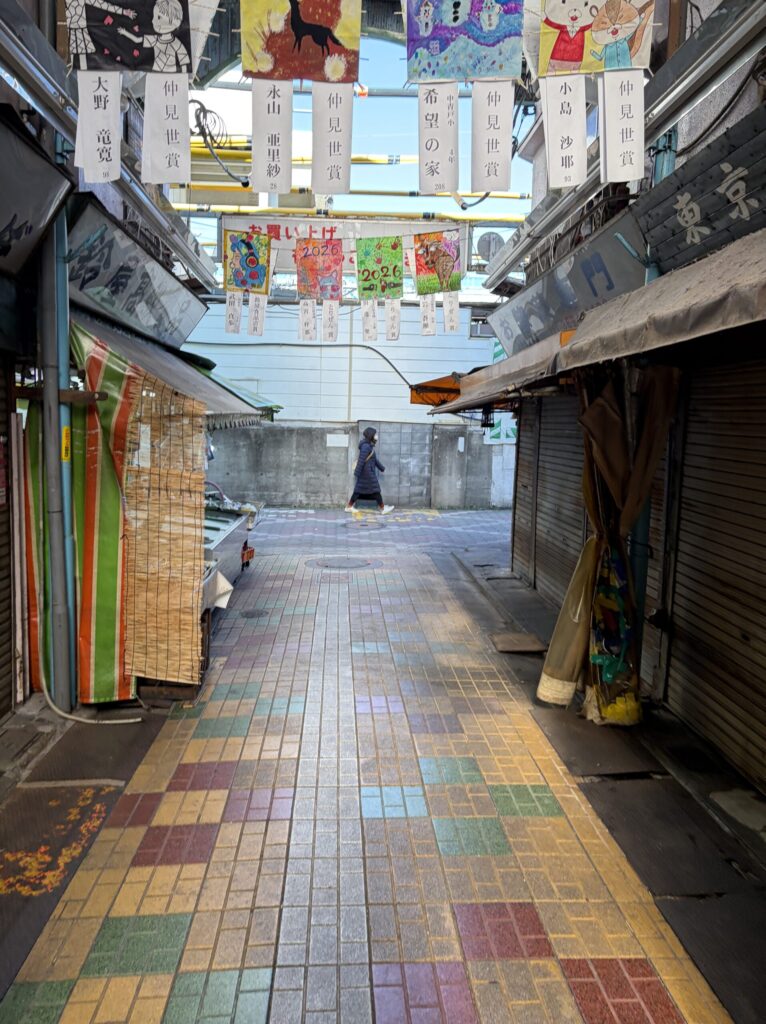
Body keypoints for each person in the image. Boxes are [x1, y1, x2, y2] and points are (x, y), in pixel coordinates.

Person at [345, 427, 394, 514]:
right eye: (375, 434)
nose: (376, 436)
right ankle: (382, 508)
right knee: (375, 490)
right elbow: (361, 460)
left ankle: (349, 506)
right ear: (371, 435)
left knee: (358, 490)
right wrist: (357, 472)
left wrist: (381, 468)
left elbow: (374, 460)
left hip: (367, 472)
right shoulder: (365, 446)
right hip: (367, 473)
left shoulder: (368, 446)